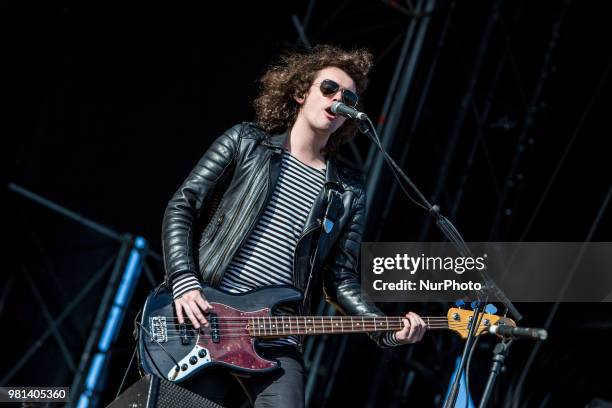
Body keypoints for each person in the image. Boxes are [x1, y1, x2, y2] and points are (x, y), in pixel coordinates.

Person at [161, 44, 426, 407]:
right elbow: (183, 205)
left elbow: (340, 277)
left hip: (276, 333)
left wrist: (385, 329)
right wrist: (184, 281)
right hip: (208, 316)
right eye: (329, 88)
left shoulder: (347, 189)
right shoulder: (246, 141)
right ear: (302, 92)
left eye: (349, 96)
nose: (338, 99)